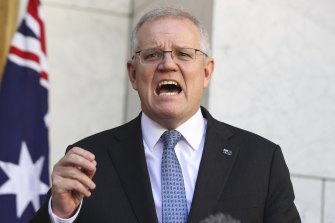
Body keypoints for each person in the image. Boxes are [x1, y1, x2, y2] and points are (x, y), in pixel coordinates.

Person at [30, 7, 301, 223]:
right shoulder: (88, 162)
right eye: (152, 55)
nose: (168, 64)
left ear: (206, 72)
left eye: (184, 54)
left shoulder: (261, 161)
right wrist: (60, 215)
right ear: (133, 74)